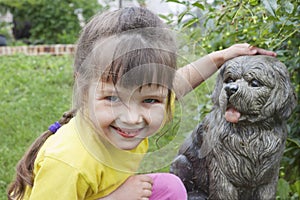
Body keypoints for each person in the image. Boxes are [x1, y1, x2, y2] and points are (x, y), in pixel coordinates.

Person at [7, 7, 276, 200]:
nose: (133, 118)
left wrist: (219, 58)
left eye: (149, 99)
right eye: (112, 98)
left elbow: (178, 84)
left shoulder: (129, 117)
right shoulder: (68, 161)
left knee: (170, 187)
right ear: (83, 87)